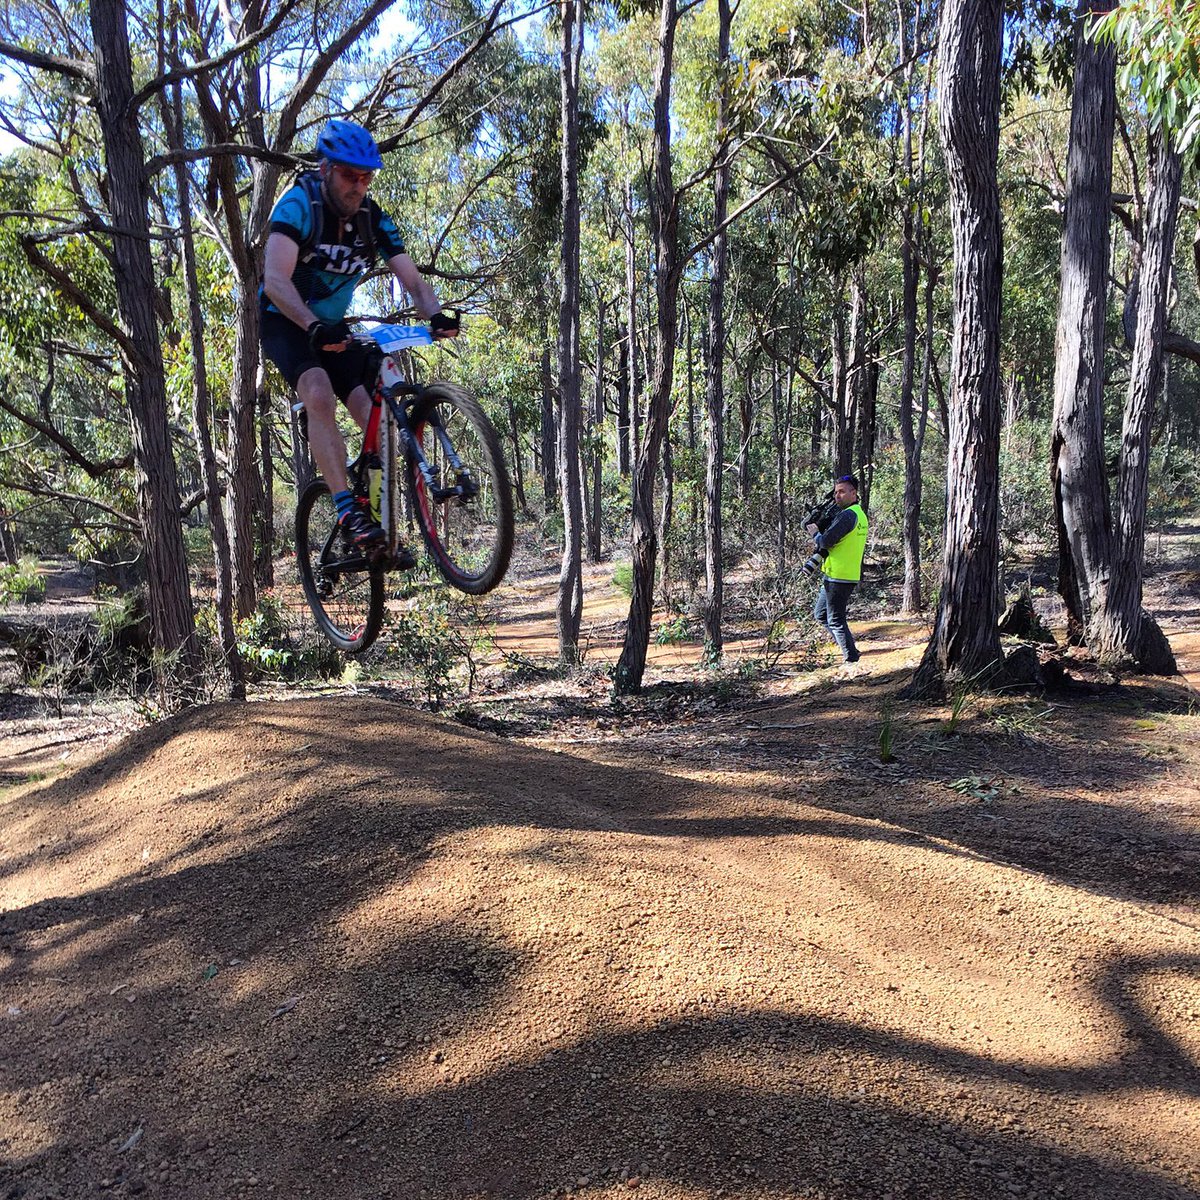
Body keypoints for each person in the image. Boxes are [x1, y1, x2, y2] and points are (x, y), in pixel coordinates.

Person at [259, 118, 459, 554]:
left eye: (366, 177)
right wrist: (312, 325)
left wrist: (437, 314)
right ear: (326, 168)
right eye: (350, 175)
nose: (358, 186)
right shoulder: (297, 206)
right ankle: (347, 510)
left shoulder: (373, 219)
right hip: (285, 321)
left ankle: (373, 526)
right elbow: (274, 279)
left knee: (375, 416)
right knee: (318, 391)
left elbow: (415, 282)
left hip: (332, 329)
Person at [807, 473, 868, 665]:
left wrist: (816, 533)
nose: (837, 496)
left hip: (839, 576)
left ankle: (851, 660)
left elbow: (826, 541)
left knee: (835, 619)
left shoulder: (849, 515)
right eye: (836, 492)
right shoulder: (858, 514)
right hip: (837, 573)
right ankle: (850, 649)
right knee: (821, 614)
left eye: (842, 492)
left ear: (853, 493)